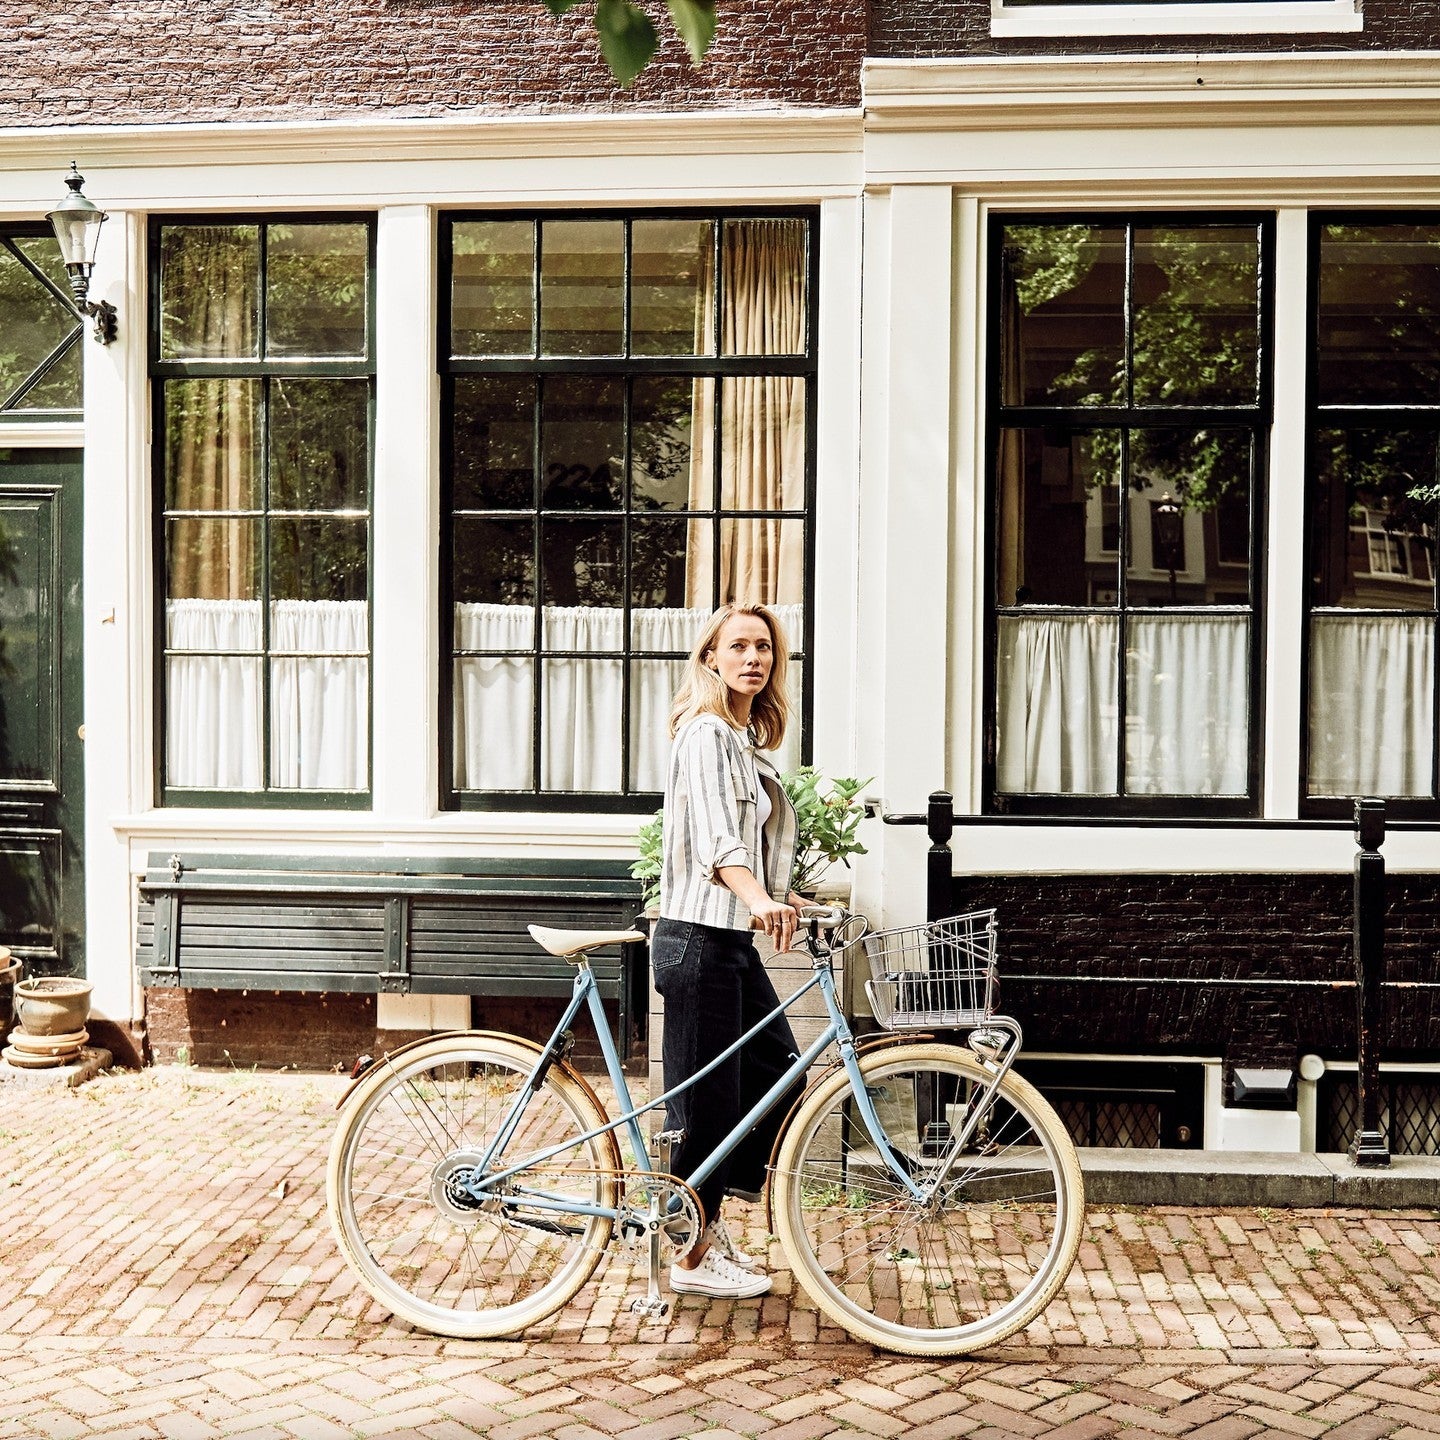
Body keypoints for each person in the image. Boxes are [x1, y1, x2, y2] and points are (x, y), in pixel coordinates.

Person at [650, 602, 810, 1300]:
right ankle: (688, 1253)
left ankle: (701, 1222)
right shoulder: (705, 734)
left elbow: (751, 846)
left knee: (781, 1074)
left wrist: (782, 895)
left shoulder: (742, 742)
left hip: (729, 942)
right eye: (738, 646)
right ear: (709, 658)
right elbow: (719, 840)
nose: (753, 658)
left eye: (764, 649)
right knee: (710, 1109)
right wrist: (756, 898)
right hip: (696, 941)